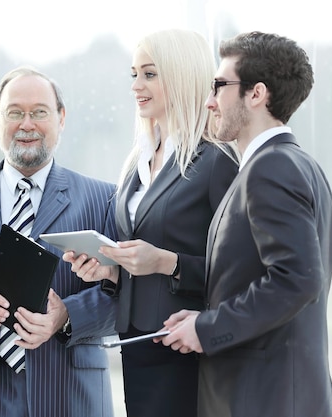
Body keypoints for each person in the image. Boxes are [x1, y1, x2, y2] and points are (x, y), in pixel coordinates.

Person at [160, 31, 332, 417]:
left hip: (264, 401)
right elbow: (252, 276)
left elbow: (297, 279)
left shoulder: (271, 168)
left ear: (256, 94)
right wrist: (202, 319)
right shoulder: (299, 165)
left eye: (219, 86)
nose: (209, 101)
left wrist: (207, 330)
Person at [63, 29, 239, 417]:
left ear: (180, 75)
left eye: (149, 74)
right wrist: (108, 270)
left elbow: (239, 271)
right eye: (133, 75)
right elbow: (139, 256)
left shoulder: (217, 161)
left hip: (187, 349)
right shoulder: (137, 163)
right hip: (138, 345)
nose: (136, 86)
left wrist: (166, 262)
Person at [0, 66, 118, 417]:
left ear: (61, 118)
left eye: (39, 112)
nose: (27, 124)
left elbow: (122, 296)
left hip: (71, 394)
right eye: (15, 112)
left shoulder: (103, 199)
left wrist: (65, 316)